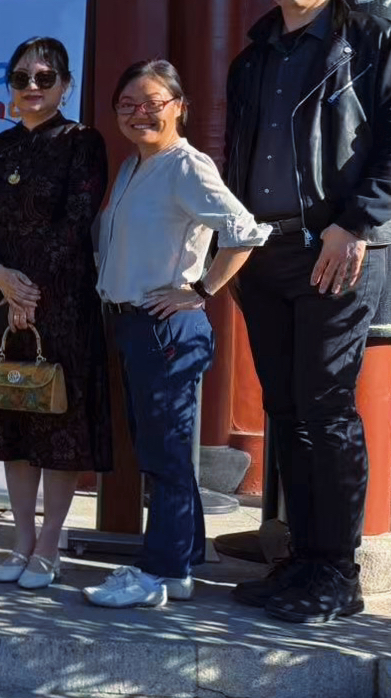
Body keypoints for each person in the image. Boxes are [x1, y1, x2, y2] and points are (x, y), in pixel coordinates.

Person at [223, 0, 391, 624]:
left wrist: (356, 223)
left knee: (324, 410)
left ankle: (337, 572)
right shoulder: (252, 58)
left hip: (335, 249)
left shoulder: (375, 43)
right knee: (285, 411)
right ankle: (303, 560)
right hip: (265, 252)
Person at [87, 60, 270, 609]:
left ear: (179, 107)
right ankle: (182, 564)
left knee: (164, 455)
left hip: (165, 326)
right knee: (162, 451)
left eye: (152, 103)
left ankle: (157, 573)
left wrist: (201, 288)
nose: (139, 114)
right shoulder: (133, 166)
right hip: (133, 323)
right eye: (127, 105)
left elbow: (243, 231)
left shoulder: (187, 166)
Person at [0, 37, 111, 591]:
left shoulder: (83, 142)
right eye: (21, 78)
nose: (32, 87)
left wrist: (30, 294)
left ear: (65, 85)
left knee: (56, 422)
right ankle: (20, 540)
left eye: (45, 78)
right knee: (10, 418)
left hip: (61, 300)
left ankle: (50, 545)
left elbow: (76, 219)